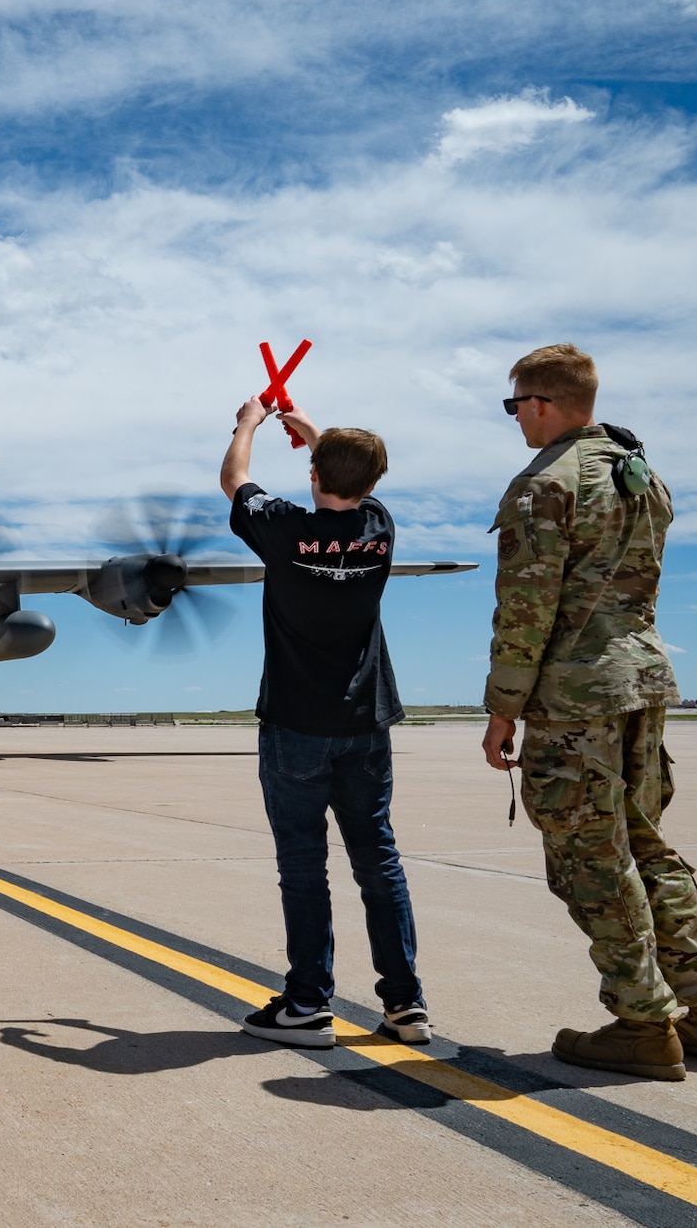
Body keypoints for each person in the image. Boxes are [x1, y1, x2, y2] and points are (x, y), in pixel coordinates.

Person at [483, 344, 697, 1080]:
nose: (516, 422)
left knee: (590, 856)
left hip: (575, 698)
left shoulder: (546, 483)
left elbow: (526, 608)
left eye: (516, 407)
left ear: (539, 403)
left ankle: (642, 1020)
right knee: (643, 843)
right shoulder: (641, 474)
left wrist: (504, 708)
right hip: (640, 685)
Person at [221, 396, 429, 1049]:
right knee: (379, 861)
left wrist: (249, 425)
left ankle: (309, 1003)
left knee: (305, 866)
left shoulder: (282, 529)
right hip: (366, 723)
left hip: (294, 724)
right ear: (372, 483)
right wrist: (309, 432)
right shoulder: (380, 527)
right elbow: (342, 473)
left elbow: (235, 480)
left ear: (314, 479)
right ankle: (406, 1004)